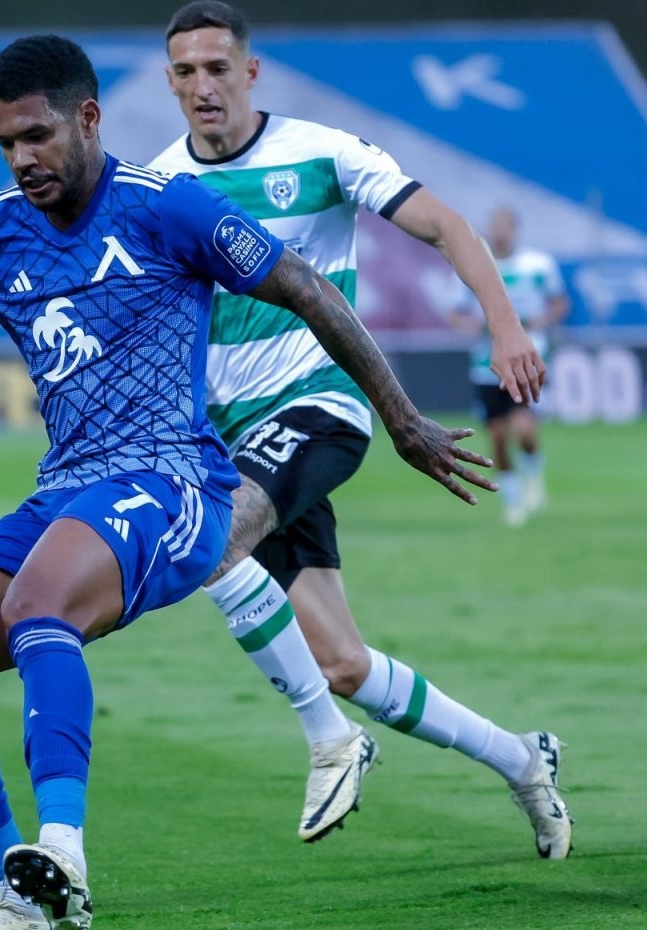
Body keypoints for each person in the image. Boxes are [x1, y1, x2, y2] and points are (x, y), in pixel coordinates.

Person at [0, 34, 497, 930]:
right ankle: (18, 895)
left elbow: (308, 289)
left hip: (173, 479)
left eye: (37, 135)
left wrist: (401, 418)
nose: (21, 159)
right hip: (65, 487)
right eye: (5, 142)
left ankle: (64, 851)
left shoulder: (166, 205)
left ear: (89, 118)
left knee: (36, 604)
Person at [149, 1, 572, 856]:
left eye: (218, 68)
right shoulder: (160, 186)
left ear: (250, 72)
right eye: (186, 72)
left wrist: (505, 324)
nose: (203, 86)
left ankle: (329, 740)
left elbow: (445, 224)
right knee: (342, 662)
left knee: (214, 542)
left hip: (321, 405)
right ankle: (522, 759)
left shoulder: (323, 152)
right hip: (235, 442)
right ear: (170, 82)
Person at [448, 207, 569, 526]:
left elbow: (559, 302)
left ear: (515, 229)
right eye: (495, 225)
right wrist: (473, 326)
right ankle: (513, 502)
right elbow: (455, 312)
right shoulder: (472, 265)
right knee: (499, 436)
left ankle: (534, 478)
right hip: (486, 363)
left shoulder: (538, 265)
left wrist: (541, 322)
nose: (499, 232)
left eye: (505, 226)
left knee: (525, 428)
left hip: (528, 357)